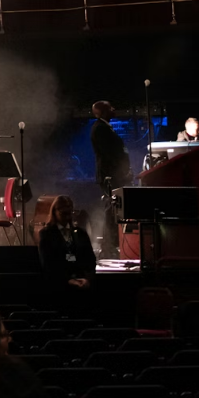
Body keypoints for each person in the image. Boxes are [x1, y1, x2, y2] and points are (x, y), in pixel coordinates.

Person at [90, 101, 131, 259]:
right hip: (111, 176)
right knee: (111, 211)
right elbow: (110, 155)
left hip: (114, 175)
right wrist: (121, 172)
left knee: (114, 210)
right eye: (110, 107)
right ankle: (108, 247)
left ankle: (112, 245)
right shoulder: (100, 129)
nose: (114, 109)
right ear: (102, 111)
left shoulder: (105, 127)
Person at [38, 195, 96, 293]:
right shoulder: (46, 234)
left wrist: (87, 279)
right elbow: (48, 263)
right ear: (54, 212)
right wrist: (67, 280)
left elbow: (90, 259)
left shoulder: (81, 233)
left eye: (69, 213)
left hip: (82, 283)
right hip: (59, 286)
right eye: (63, 213)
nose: (68, 217)